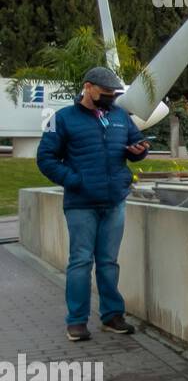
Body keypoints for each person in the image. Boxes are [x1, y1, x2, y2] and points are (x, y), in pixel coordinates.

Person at [36, 67, 151, 341]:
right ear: (88, 87)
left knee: (109, 262)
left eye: (114, 94)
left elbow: (136, 144)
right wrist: (74, 181)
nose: (111, 98)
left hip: (114, 202)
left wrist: (140, 151)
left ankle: (112, 316)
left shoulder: (121, 116)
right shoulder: (62, 118)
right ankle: (76, 321)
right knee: (81, 262)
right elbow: (45, 158)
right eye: (106, 93)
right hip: (81, 204)